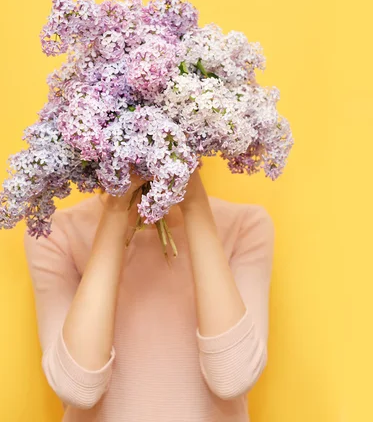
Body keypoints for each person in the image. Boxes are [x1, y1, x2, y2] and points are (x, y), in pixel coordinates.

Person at [23, 168, 275, 421]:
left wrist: (194, 203)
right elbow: (77, 388)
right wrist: (117, 207)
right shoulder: (53, 234)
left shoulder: (245, 225)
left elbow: (233, 378)